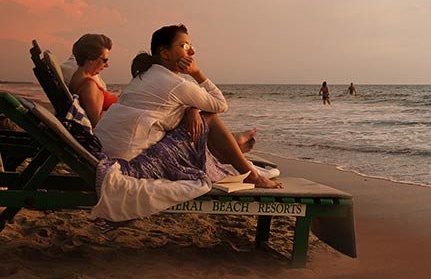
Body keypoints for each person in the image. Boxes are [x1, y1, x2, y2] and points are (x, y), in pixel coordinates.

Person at [96, 24, 280, 189]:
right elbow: (220, 104)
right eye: (184, 46)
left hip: (106, 154)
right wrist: (196, 73)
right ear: (165, 53)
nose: (191, 52)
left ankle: (233, 148)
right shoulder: (173, 83)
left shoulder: (147, 75)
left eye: (191, 47)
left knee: (199, 119)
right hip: (132, 165)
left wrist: (193, 109)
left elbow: (169, 108)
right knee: (210, 118)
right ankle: (252, 175)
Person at [64, 34, 118, 126]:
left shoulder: (77, 78)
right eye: (104, 60)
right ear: (90, 58)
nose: (106, 65)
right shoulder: (89, 86)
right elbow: (97, 125)